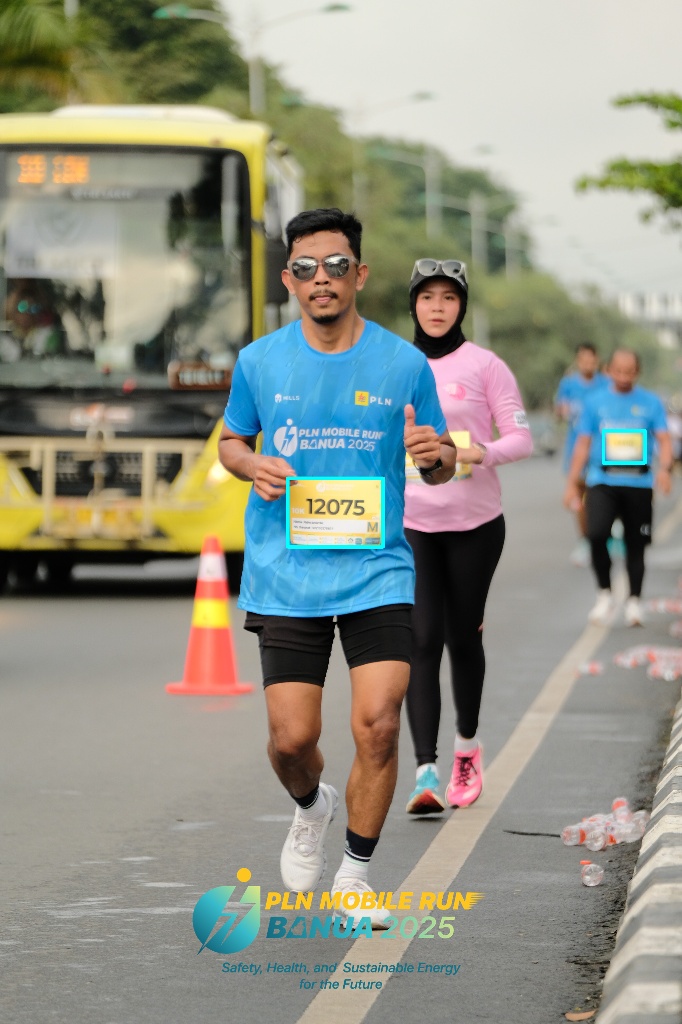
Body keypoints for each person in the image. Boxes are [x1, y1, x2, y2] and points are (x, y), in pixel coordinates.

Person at [218, 209, 456, 924]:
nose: (320, 279)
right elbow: (231, 441)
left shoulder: (404, 365)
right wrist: (251, 464)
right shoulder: (260, 361)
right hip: (286, 573)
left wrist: (435, 458)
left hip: (376, 569)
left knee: (378, 724)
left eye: (335, 265)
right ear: (289, 279)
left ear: (360, 274)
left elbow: (441, 461)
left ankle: (355, 874)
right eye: (305, 268)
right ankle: (310, 804)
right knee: (292, 741)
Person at [403, 259, 533, 815]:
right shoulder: (395, 363)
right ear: (413, 304)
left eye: (448, 298)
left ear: (461, 306)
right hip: (412, 524)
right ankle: (425, 773)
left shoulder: (485, 364)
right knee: (421, 638)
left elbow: (521, 438)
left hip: (475, 526)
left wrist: (478, 452)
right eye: (427, 297)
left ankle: (466, 748)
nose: (437, 307)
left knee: (462, 637)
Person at [563, 348, 673, 627]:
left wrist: (665, 469)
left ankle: (634, 601)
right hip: (602, 482)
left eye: (630, 372)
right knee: (596, 535)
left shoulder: (651, 402)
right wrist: (572, 483)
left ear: (638, 372)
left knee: (637, 544)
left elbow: (664, 439)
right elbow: (583, 444)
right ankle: (605, 593)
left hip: (639, 483)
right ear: (608, 370)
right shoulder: (594, 402)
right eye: (619, 371)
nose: (624, 377)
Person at [555, 343, 609, 566]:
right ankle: (585, 540)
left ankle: (606, 534)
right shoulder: (568, 384)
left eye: (591, 360)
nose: (587, 364)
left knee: (604, 495)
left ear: (597, 361)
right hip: (576, 448)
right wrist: (562, 410)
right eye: (583, 360)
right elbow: (559, 412)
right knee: (579, 497)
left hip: (601, 449)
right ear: (578, 361)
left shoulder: (605, 384)